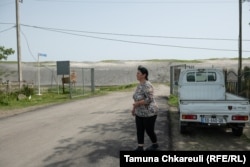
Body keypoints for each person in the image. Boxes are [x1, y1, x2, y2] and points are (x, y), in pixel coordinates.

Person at [131, 65, 159, 151]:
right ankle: (140, 147)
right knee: (139, 130)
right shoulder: (139, 85)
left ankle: (155, 144)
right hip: (139, 112)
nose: (136, 75)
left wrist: (138, 104)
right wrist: (134, 109)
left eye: (138, 73)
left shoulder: (147, 85)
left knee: (149, 130)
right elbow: (136, 98)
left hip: (149, 112)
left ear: (144, 75)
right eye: (137, 73)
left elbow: (149, 99)